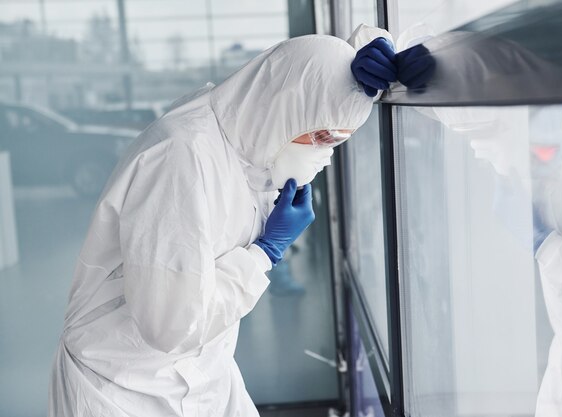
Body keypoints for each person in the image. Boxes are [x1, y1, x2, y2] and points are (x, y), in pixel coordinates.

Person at [47, 32, 397, 417]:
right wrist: (265, 253)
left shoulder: (251, 145)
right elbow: (172, 324)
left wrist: (377, 53)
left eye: (336, 142)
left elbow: (312, 79)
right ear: (286, 107)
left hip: (201, 375)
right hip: (120, 387)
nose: (325, 156)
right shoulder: (183, 157)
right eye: (321, 137)